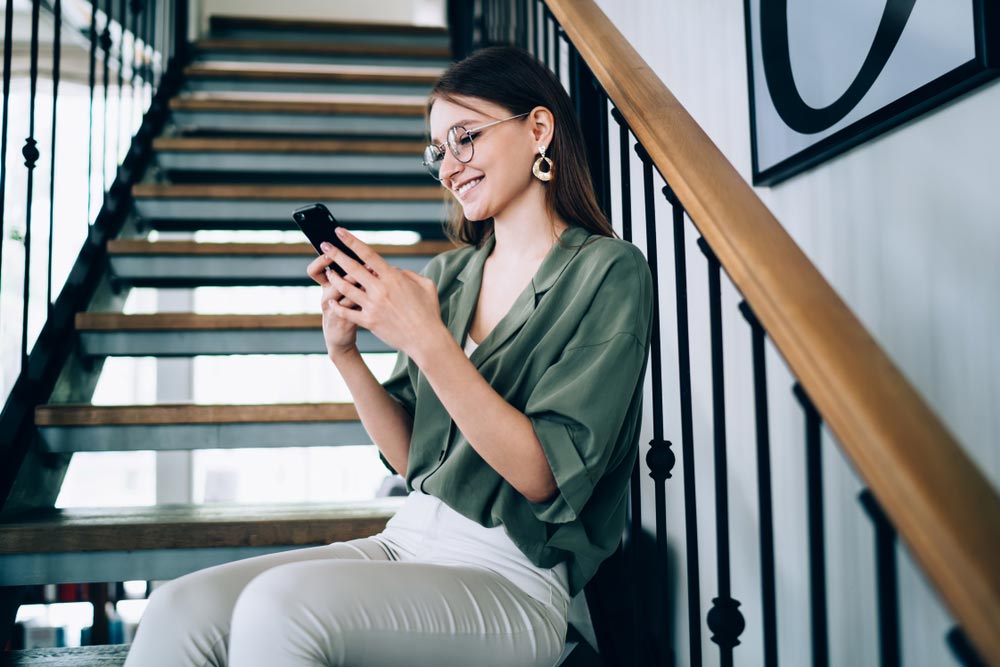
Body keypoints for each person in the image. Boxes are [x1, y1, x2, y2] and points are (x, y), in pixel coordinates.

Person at [124, 45, 652, 667]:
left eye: (465, 137)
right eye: (437, 151)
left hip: (513, 574)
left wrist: (426, 339)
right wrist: (346, 354)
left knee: (281, 608)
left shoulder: (608, 273)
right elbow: (411, 458)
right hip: (408, 538)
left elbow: (542, 476)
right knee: (179, 611)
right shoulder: (451, 276)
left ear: (538, 128)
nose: (450, 166)